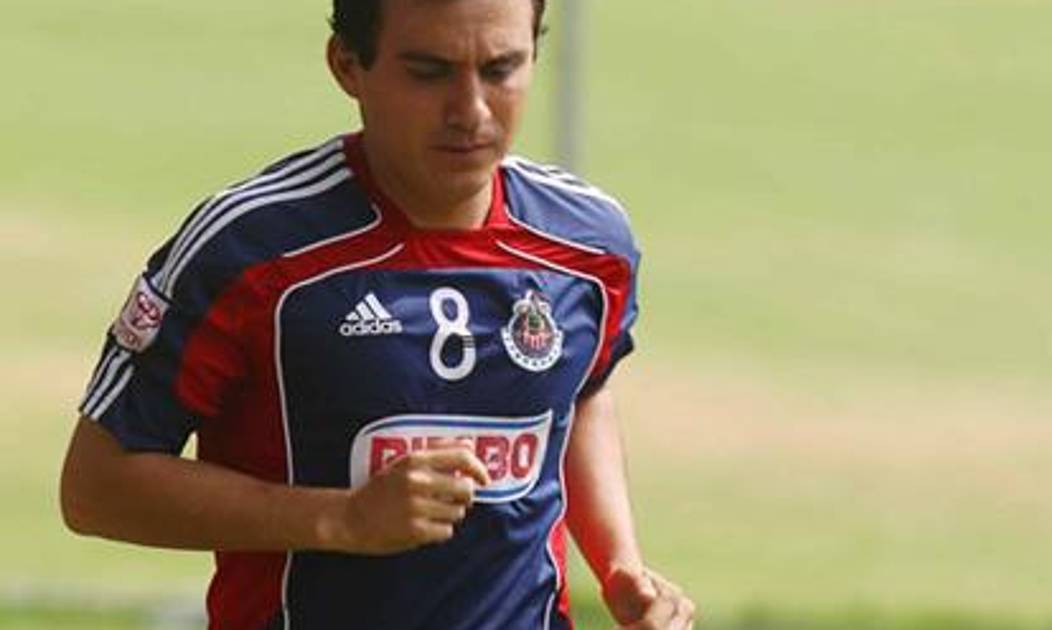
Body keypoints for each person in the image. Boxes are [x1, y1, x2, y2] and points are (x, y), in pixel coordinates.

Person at [59, 1, 695, 628]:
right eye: (429, 72)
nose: (472, 111)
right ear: (347, 65)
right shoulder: (249, 250)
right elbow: (96, 487)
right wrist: (341, 519)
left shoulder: (591, 245)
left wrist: (620, 565)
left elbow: (581, 392)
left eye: (501, 69)